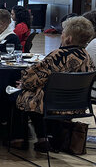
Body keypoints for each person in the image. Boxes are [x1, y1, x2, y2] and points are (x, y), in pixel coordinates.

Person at [13, 16, 95, 152]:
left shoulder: (58, 56)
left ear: (68, 38)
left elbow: (32, 77)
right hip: (77, 104)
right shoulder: (86, 56)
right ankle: (43, 138)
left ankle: (20, 138)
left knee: (20, 95)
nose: (61, 35)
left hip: (53, 103)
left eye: (63, 32)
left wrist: (23, 83)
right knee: (36, 93)